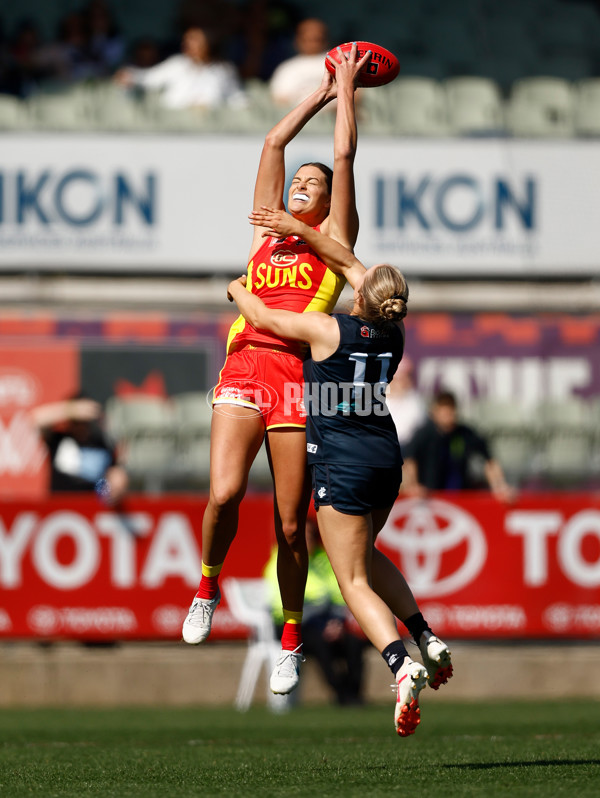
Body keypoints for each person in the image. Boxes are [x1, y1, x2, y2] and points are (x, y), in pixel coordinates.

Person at [181, 44, 370, 699]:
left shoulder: (332, 242)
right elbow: (272, 139)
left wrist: (348, 92)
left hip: (295, 376)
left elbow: (344, 157)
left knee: (293, 524)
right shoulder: (268, 229)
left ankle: (291, 637)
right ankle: (207, 583)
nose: (302, 184)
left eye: (312, 185)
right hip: (246, 364)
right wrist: (318, 92)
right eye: (299, 180)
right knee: (225, 494)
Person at [228, 208, 453, 736]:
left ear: (359, 296)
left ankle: (401, 665)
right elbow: (353, 266)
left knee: (350, 579)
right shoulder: (395, 335)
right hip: (384, 457)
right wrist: (309, 233)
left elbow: (263, 318)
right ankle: (424, 633)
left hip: (342, 461)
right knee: (366, 558)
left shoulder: (328, 329)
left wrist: (236, 288)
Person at [264, 517, 366, 706]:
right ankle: (341, 694)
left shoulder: (323, 559)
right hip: (292, 626)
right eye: (303, 534)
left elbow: (338, 594)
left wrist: (335, 622)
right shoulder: (281, 559)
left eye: (311, 535)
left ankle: (355, 694)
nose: (307, 539)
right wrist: (321, 623)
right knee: (321, 644)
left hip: (326, 622)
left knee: (354, 643)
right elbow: (281, 606)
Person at [403, 389, 515, 501]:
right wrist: (413, 485)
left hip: (460, 497)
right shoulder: (424, 434)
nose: (448, 416)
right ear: (434, 412)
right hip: (430, 498)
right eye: (444, 412)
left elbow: (489, 461)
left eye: (450, 411)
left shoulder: (465, 434)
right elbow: (409, 460)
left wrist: (499, 487)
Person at [114, 26, 247, 110]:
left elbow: (236, 98)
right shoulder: (177, 64)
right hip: (176, 129)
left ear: (208, 44)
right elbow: (149, 78)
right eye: (187, 41)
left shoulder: (224, 70)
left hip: (211, 131)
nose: (189, 45)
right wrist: (129, 74)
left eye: (195, 41)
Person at [30, 392, 128, 505]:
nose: (81, 425)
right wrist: (72, 410)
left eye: (84, 421)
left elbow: (111, 478)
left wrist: (115, 483)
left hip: (93, 507)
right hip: (59, 505)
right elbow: (35, 419)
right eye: (77, 421)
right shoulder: (59, 439)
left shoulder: (102, 444)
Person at [269, 18, 330, 107]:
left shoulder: (339, 62)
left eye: (316, 39)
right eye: (307, 39)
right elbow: (279, 101)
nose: (312, 43)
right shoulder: (286, 68)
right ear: (297, 40)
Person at [385, 357, 427, 450]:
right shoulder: (376, 399)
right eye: (396, 378)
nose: (398, 383)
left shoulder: (415, 403)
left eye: (404, 378)